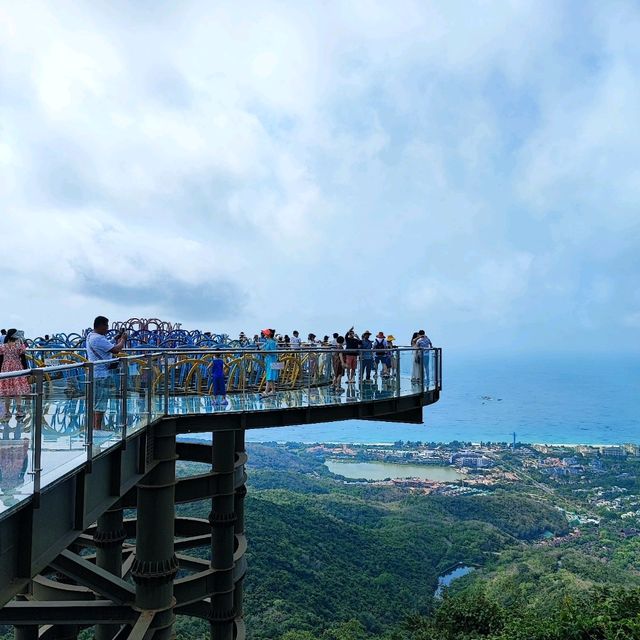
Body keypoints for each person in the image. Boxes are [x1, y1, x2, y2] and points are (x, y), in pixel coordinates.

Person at [85, 316, 127, 431]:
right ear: (101, 326)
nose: (107, 328)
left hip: (95, 373)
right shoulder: (98, 339)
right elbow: (116, 350)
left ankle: (95, 428)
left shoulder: (90, 336)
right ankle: (97, 428)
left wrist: (115, 338)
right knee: (101, 403)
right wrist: (123, 339)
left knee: (96, 402)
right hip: (102, 374)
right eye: (106, 325)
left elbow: (106, 346)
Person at [0, 329, 30, 419]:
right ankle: (19, 411)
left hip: (5, 369)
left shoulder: (2, 347)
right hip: (17, 368)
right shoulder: (19, 346)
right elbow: (23, 358)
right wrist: (26, 370)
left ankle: (7, 412)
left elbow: (0, 360)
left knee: (7, 392)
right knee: (18, 391)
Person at [261, 329, 279, 396]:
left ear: (268, 335)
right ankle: (273, 391)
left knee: (269, 376)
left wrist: (265, 352)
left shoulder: (271, 342)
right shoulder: (268, 341)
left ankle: (266, 392)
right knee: (270, 375)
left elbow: (273, 352)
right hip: (269, 360)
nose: (264, 334)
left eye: (265, 333)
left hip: (272, 360)